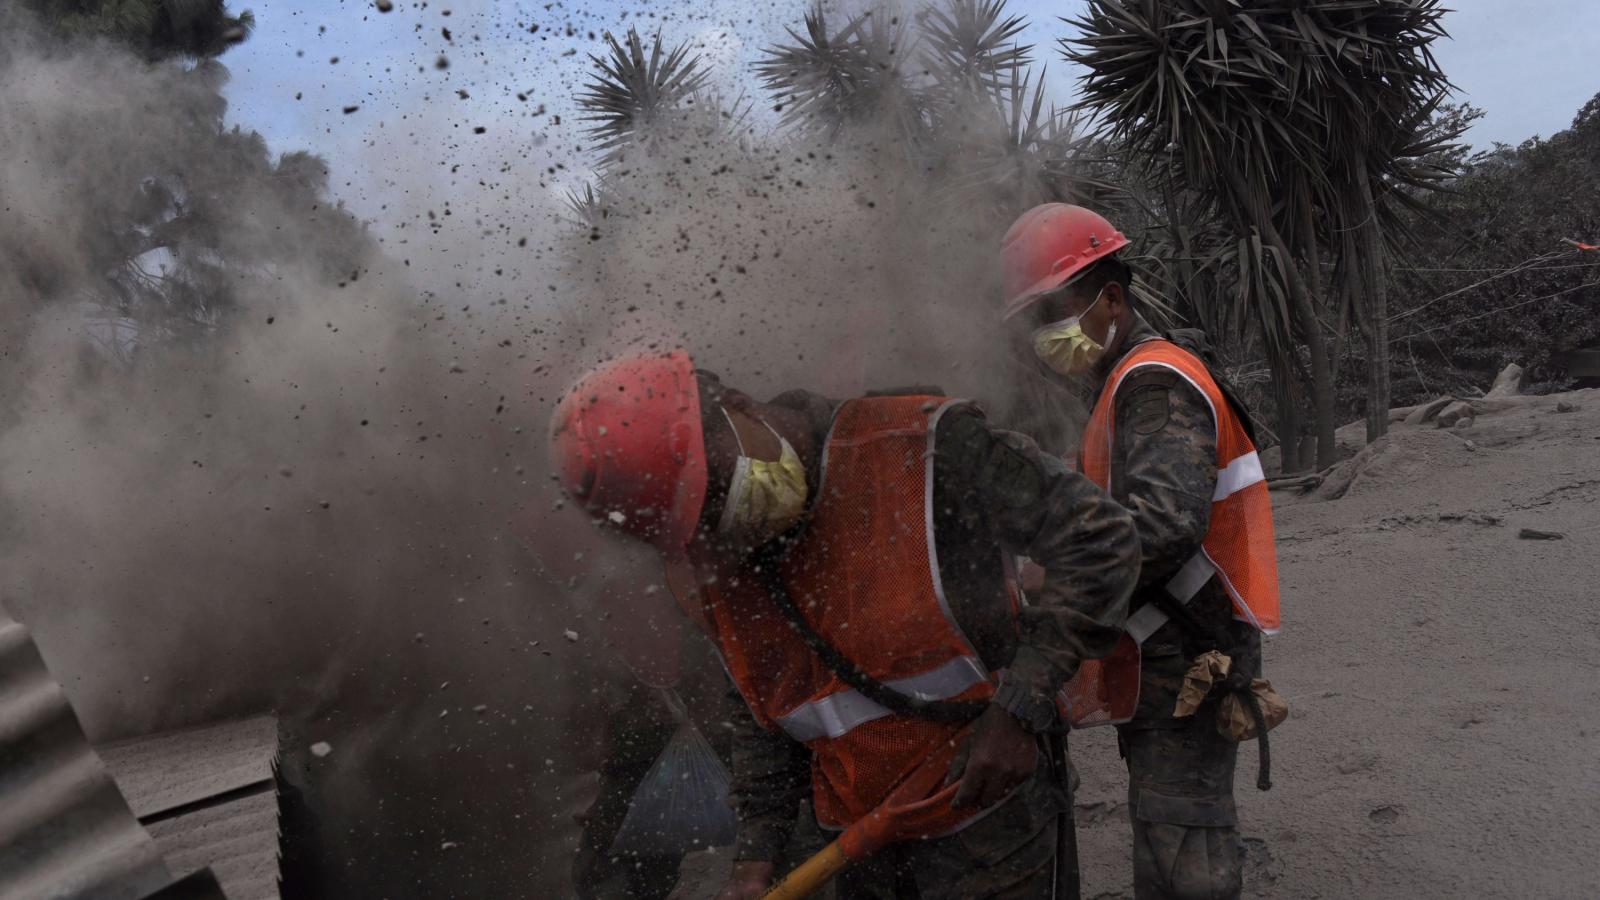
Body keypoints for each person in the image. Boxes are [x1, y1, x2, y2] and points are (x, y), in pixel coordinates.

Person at [548, 348, 1140, 899]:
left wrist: (1020, 705)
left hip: (994, 830)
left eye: (718, 488)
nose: (725, 521)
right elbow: (764, 706)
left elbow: (1100, 541)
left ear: (735, 406)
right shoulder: (718, 564)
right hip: (860, 848)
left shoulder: (920, 444)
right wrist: (758, 851)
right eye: (697, 522)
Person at [997, 203, 1284, 900]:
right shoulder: (1124, 383)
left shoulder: (1153, 380)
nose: (1044, 337)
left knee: (1186, 849)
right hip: (1168, 655)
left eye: (1052, 313)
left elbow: (1160, 525)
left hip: (1188, 656)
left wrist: (1055, 568)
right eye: (1031, 324)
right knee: (1164, 834)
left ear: (1112, 297)